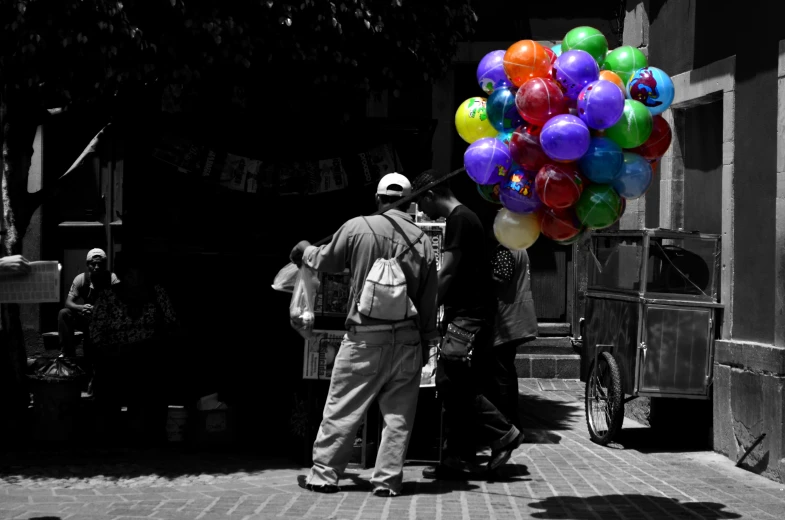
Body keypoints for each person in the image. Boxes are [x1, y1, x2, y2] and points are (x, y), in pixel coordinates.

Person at [290, 172, 439, 497]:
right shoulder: (423, 241)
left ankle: (324, 476)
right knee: (398, 415)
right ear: (411, 202)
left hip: (364, 339)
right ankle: (387, 481)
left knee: (343, 406)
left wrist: (304, 250)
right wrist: (428, 341)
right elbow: (429, 299)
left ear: (378, 199)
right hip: (408, 340)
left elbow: (325, 260)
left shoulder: (357, 226)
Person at [412, 169, 523, 478]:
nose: (420, 210)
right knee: (456, 381)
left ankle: (503, 432)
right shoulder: (463, 218)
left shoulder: (460, 219)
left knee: (451, 378)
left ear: (431, 195)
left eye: (420, 201)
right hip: (465, 312)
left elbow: (447, 270)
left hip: (469, 314)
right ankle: (457, 455)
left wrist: (428, 306)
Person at [89, 252, 179, 447]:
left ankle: (149, 436)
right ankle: (111, 438)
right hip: (117, 357)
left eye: (139, 275)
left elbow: (172, 324)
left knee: (151, 375)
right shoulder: (108, 297)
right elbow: (96, 334)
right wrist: (113, 351)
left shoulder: (157, 293)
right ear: (122, 275)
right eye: (130, 275)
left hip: (149, 355)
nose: (135, 280)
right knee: (109, 381)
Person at [480, 232, 538, 431]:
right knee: (505, 371)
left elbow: (499, 279)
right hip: (516, 316)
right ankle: (510, 422)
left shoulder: (506, 250)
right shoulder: (520, 246)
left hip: (507, 317)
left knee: (501, 373)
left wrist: (479, 273)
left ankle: (507, 424)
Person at [58, 248, 119, 357]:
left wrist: (100, 309)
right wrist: (81, 307)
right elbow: (68, 303)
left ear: (105, 265)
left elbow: (120, 303)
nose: (97, 267)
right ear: (87, 265)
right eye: (93, 264)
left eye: (100, 264)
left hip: (106, 320)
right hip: (87, 318)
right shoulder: (81, 279)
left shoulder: (112, 278)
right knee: (64, 313)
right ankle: (68, 355)